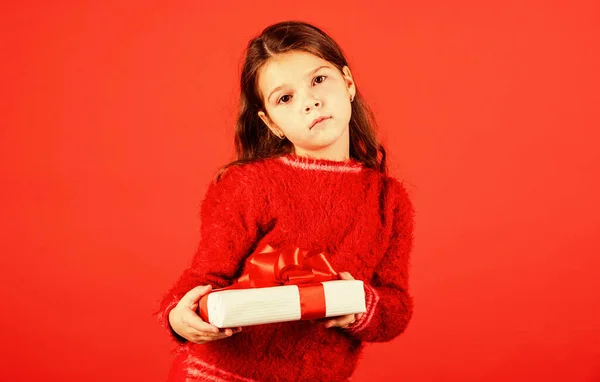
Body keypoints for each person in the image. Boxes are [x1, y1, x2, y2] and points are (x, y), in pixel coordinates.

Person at [154, 20, 416, 382]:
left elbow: (396, 306)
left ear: (349, 83)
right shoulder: (248, 184)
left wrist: (360, 304)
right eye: (285, 98)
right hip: (219, 374)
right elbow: (204, 277)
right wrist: (177, 316)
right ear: (271, 123)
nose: (310, 102)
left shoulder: (390, 200)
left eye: (319, 80)